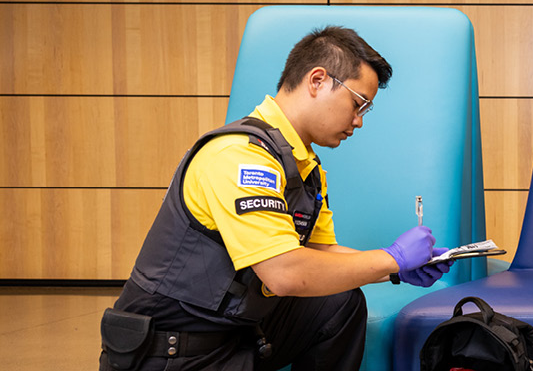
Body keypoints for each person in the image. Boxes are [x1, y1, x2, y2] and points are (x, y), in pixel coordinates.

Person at [98, 26, 454, 371]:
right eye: (358, 103)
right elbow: (285, 272)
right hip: (172, 351)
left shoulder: (304, 166)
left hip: (232, 332)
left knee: (338, 302)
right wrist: (390, 259)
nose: (358, 121)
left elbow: (319, 254)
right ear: (318, 80)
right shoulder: (239, 156)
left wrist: (399, 269)